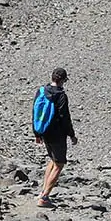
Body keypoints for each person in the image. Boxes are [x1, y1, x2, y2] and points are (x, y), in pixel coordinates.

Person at [33, 67, 77, 208]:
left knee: (52, 160)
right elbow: (65, 117)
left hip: (44, 132)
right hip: (57, 134)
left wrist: (37, 133)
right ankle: (44, 197)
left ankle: (42, 192)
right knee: (59, 164)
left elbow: (34, 112)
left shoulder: (41, 91)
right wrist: (71, 134)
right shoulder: (61, 95)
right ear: (63, 80)